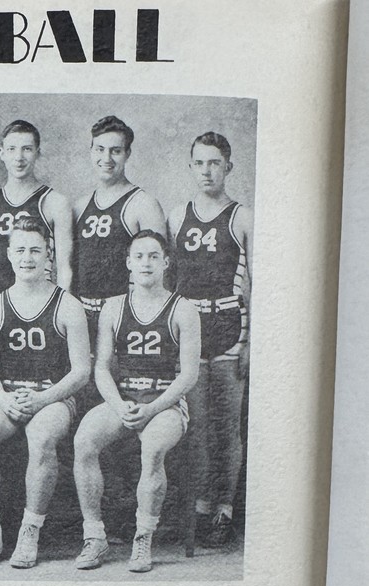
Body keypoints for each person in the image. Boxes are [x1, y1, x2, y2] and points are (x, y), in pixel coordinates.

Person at [73, 231, 201, 572]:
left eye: (153, 256)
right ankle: (94, 536)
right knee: (84, 440)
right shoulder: (113, 307)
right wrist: (118, 405)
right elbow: (100, 367)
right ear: (128, 263)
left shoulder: (183, 309)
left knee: (153, 448)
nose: (146, 263)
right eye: (139, 256)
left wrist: (153, 409)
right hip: (125, 396)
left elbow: (188, 376)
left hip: (165, 402)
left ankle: (143, 537)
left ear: (165, 263)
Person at [0, 217, 89, 569]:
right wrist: (4, 399)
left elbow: (81, 371)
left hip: (53, 397)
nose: (27, 257)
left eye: (35, 250)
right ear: (8, 255)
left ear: (48, 255)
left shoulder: (68, 305)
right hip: (10, 394)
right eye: (20, 250)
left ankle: (29, 530)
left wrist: (43, 398)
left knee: (40, 435)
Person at [168, 131, 253, 548]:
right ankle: (200, 508)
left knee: (228, 428)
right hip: (189, 329)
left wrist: (251, 340)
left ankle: (224, 509)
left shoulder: (242, 217)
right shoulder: (176, 215)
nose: (206, 170)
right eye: (199, 162)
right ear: (190, 167)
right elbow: (168, 280)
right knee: (197, 426)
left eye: (214, 162)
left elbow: (256, 282)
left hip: (229, 327)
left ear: (228, 167)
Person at [72, 116, 167, 319]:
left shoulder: (144, 204)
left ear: (127, 154)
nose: (106, 158)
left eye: (115, 151)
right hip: (82, 315)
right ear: (91, 151)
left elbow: (160, 274)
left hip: (125, 316)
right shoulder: (79, 206)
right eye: (99, 149)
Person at [0, 119, 73, 296]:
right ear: (1, 153)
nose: (19, 157)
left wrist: (60, 309)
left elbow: (64, 269)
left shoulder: (55, 203)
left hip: (41, 303)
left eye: (27, 149)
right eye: (12, 149)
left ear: (38, 153)